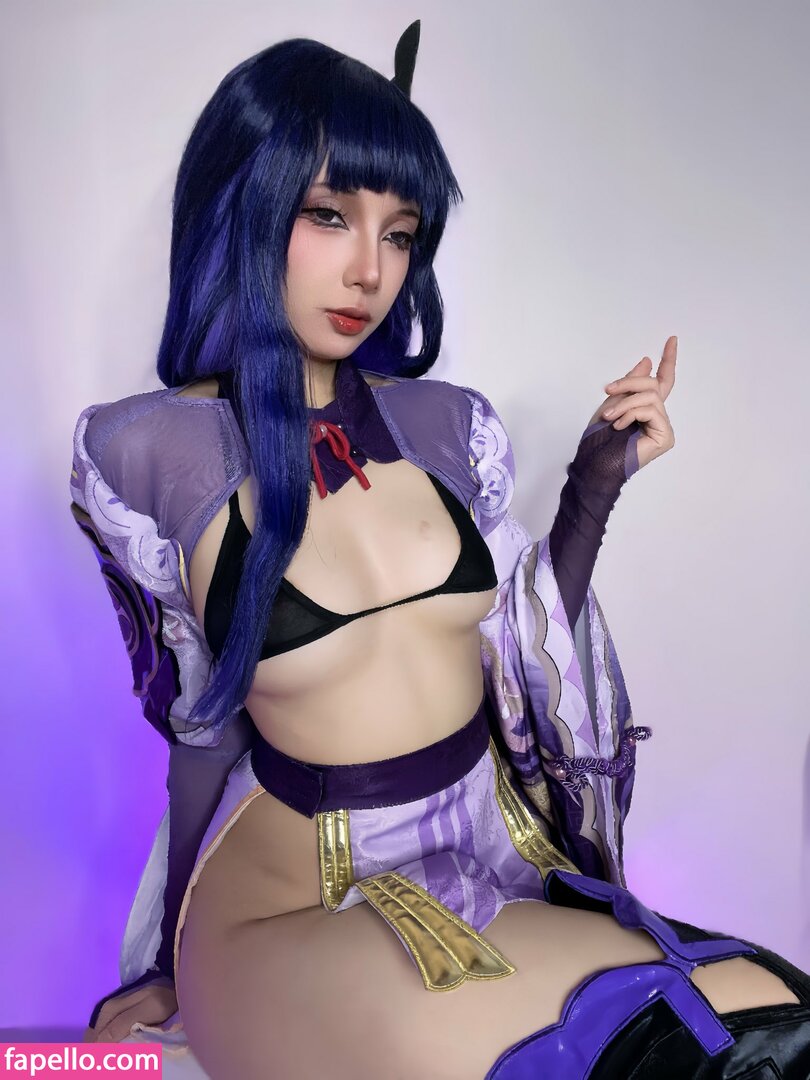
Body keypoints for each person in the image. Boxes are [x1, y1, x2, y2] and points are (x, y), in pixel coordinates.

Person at [69, 22, 810, 1079]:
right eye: (329, 215)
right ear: (246, 202)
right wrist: (162, 965)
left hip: (486, 850)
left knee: (767, 1009)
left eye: (401, 232)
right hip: (293, 899)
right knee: (653, 1052)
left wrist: (592, 490)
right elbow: (200, 727)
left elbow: (519, 646)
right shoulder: (144, 452)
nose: (369, 269)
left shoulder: (452, 425)